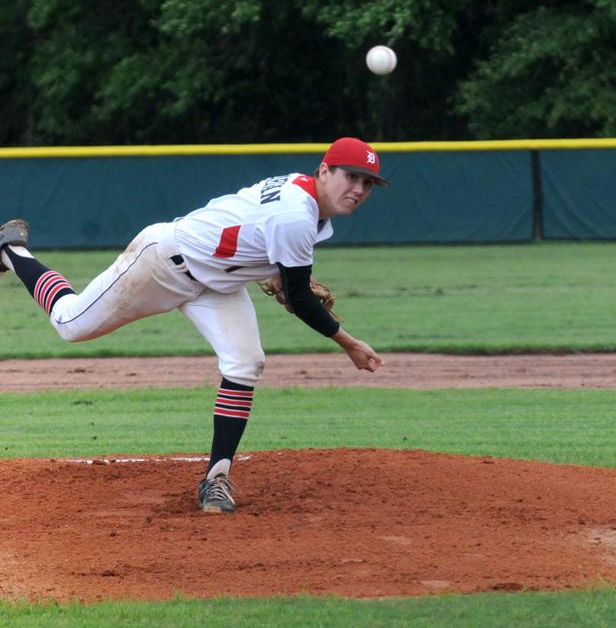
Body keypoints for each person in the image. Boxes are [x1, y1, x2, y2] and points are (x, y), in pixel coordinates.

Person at [0, 137, 388, 514]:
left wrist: (277, 276)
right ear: (323, 170)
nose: (358, 188)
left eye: (367, 183)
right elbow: (300, 298)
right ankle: (13, 250)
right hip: (162, 264)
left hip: (215, 282)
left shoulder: (302, 197)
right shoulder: (296, 216)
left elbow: (251, 234)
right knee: (70, 323)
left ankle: (217, 478)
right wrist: (349, 343)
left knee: (245, 362)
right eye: (350, 177)